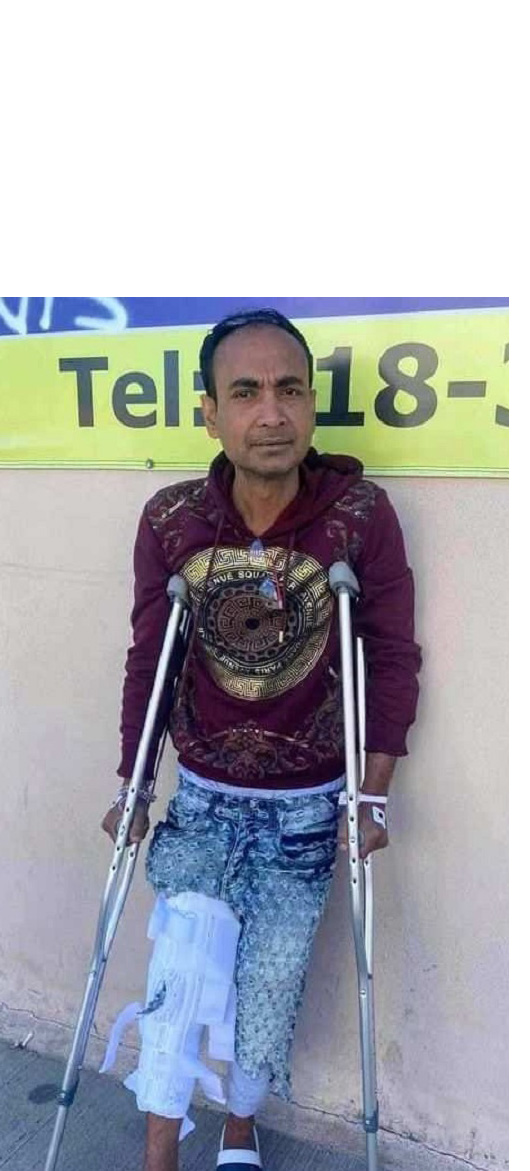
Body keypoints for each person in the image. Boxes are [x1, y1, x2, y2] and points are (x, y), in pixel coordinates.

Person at [102, 307, 421, 1171]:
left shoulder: (359, 516)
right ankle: (159, 1154)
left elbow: (391, 657)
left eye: (290, 389)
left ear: (313, 402)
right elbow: (151, 659)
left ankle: (239, 1128)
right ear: (210, 412)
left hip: (308, 811)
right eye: (245, 392)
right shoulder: (172, 520)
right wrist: (134, 785)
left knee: (270, 990)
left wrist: (373, 792)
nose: (271, 412)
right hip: (204, 801)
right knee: (179, 978)